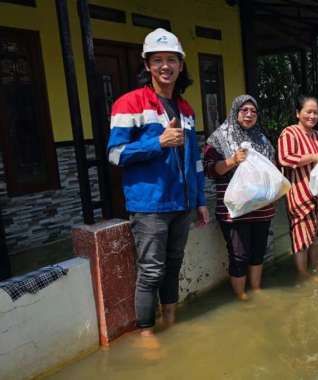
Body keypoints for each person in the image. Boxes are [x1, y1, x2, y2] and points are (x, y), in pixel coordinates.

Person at [107, 28, 209, 340]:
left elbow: (195, 162)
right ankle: (146, 334)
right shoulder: (130, 104)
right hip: (150, 205)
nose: (165, 66)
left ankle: (170, 320)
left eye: (171, 60)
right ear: (148, 65)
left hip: (182, 203)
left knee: (174, 264)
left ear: (181, 65)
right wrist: (158, 143)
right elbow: (115, 155)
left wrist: (201, 200)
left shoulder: (186, 109)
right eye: (158, 60)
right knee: (151, 270)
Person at [204, 95, 276, 300]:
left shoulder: (261, 138)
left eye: (253, 111)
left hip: (261, 207)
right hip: (234, 210)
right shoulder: (218, 138)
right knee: (238, 255)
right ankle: (241, 295)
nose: (249, 114)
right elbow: (210, 170)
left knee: (257, 252)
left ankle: (256, 288)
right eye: (244, 110)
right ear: (235, 112)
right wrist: (232, 160)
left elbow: (271, 168)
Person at [277, 96, 318, 279]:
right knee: (301, 237)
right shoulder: (289, 133)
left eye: (315, 112)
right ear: (298, 113)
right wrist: (314, 157)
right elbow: (285, 158)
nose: (312, 116)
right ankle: (303, 273)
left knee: (315, 235)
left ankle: (315, 265)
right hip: (300, 194)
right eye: (308, 111)